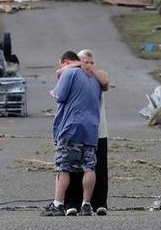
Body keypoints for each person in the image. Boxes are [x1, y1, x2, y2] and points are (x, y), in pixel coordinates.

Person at [42, 51, 102, 217]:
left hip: (71, 127)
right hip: (91, 127)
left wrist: (56, 88)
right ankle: (86, 205)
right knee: (89, 167)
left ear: (66, 62)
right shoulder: (94, 76)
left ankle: (58, 204)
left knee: (64, 167)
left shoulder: (69, 72)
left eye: (61, 65)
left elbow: (60, 96)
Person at [60, 50, 110, 216]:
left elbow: (106, 82)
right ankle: (71, 203)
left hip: (98, 130)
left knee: (98, 168)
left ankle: (99, 203)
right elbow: (60, 74)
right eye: (84, 61)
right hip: (77, 130)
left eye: (91, 62)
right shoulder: (74, 76)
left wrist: (90, 69)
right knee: (73, 167)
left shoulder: (98, 76)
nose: (87, 65)